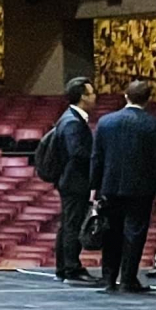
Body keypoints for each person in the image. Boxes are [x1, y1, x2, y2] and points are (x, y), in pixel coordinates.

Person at [95, 80, 156, 293]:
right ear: (148, 99)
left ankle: (108, 278)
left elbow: (97, 157)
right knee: (135, 233)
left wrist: (94, 186)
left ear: (125, 95)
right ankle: (128, 279)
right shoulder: (152, 123)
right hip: (140, 187)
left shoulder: (106, 121)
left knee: (111, 232)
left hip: (110, 185)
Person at [39, 77, 97, 285]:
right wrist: (98, 155)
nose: (94, 96)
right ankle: (71, 268)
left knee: (67, 225)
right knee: (72, 225)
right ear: (82, 96)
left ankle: (63, 267)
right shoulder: (72, 122)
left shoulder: (69, 118)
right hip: (75, 181)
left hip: (70, 181)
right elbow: (78, 152)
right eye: (91, 93)